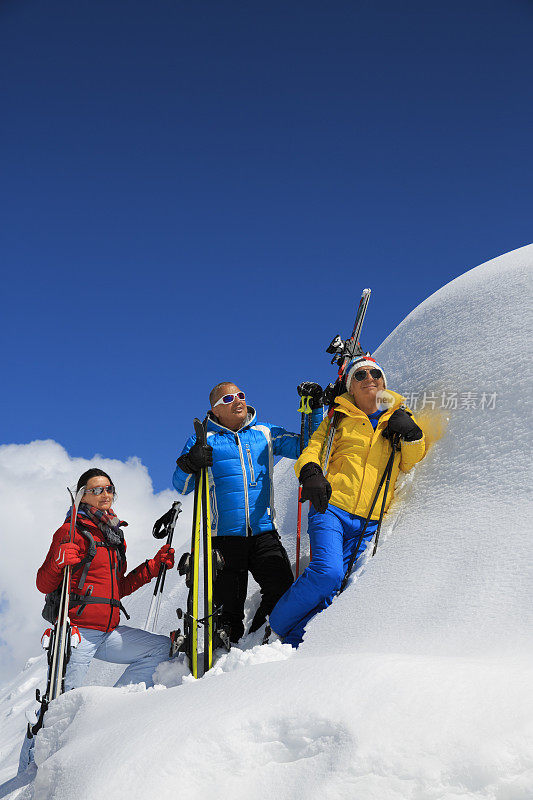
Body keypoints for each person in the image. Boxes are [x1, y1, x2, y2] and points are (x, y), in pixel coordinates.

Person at [269, 354, 426, 647]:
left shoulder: (399, 416)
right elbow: (311, 450)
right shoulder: (337, 418)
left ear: (384, 383)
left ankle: (295, 641)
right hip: (331, 507)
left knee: (336, 589)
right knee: (327, 574)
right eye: (360, 375)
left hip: (370, 519)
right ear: (350, 387)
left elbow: (410, 461)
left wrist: (412, 434)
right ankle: (276, 623)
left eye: (375, 374)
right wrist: (311, 473)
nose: (370, 379)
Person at [172, 381, 324, 644]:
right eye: (229, 398)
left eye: (240, 395)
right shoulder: (203, 440)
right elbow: (182, 485)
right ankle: (224, 655)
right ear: (215, 410)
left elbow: (305, 447)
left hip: (263, 531)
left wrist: (314, 409)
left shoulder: (264, 432)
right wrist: (190, 462)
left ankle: (256, 640)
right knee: (227, 609)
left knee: (281, 589)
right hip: (223, 539)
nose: (238, 400)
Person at [36, 468, 175, 690]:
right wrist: (57, 563)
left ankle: (111, 710)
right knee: (62, 705)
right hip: (76, 635)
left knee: (161, 649)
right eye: (97, 489)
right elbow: (43, 583)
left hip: (109, 631)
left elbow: (118, 588)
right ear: (83, 495)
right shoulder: (70, 531)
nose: (105, 494)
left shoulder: (114, 535)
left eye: (109, 489)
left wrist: (153, 567)